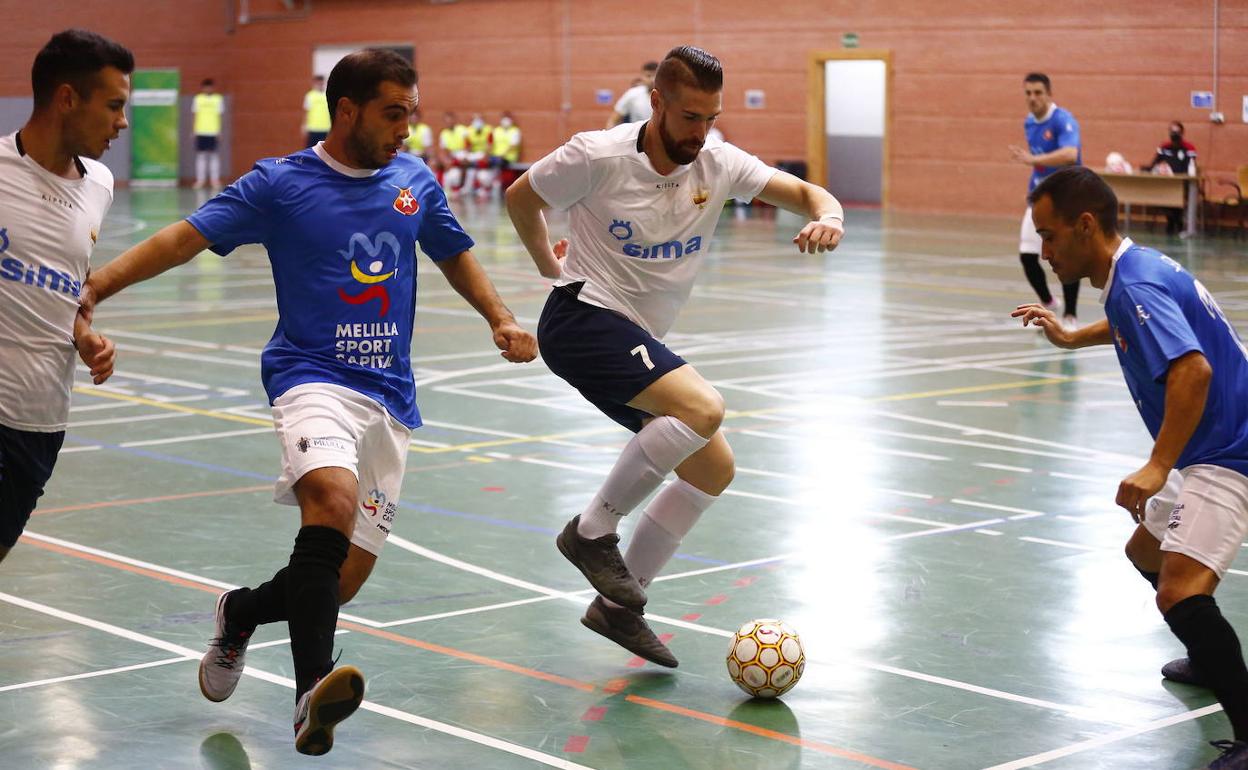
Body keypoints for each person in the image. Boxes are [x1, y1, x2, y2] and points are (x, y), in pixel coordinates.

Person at [80, 49, 537, 754]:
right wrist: (97, 288)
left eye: (411, 114)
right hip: (310, 377)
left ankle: (238, 613)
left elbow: (452, 251)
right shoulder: (281, 184)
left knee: (333, 584)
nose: (406, 131)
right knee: (329, 501)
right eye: (393, 114)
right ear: (346, 110)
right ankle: (308, 697)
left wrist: (500, 317)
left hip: (390, 398)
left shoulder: (414, 181)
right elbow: (183, 238)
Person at [506, 45, 844, 667]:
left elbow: (802, 191)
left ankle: (618, 608)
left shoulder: (717, 162)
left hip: (635, 336)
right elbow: (521, 198)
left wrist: (831, 213)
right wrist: (550, 269)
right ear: (656, 102)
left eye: (711, 117)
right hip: (583, 318)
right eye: (690, 116)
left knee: (712, 468)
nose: (701, 132)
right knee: (703, 409)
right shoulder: (596, 154)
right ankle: (590, 532)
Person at [1013, 166, 1248, 770]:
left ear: (1085, 225)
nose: (1045, 250)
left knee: (1178, 589)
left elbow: (1192, 370)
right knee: (1146, 553)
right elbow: (1134, 324)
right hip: (1207, 443)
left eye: (1051, 235)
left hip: (1227, 450)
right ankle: (1206, 653)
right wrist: (1069, 338)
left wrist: (1156, 464)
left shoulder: (1133, 286)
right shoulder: (1134, 270)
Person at [0, 29, 126, 565]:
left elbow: (67, 283)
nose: (122, 121)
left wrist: (83, 335)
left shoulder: (99, 183)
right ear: (67, 98)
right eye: (113, 105)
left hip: (41, 421)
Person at [1009, 72, 1082, 331]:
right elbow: (1038, 164)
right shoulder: (1030, 122)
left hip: (1065, 201)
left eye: (1038, 93)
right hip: (1039, 199)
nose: (1033, 98)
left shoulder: (1063, 120)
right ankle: (1049, 304)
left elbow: (1070, 154)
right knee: (1028, 256)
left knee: (1065, 257)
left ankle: (1071, 316)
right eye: (1028, 93)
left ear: (1049, 94)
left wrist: (1033, 160)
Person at [1142, 121, 1198, 235]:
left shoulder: (1189, 148)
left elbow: (1191, 167)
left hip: (1183, 182)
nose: (1174, 134)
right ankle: (1172, 220)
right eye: (1172, 132)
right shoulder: (1165, 147)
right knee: (1163, 193)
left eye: (1177, 132)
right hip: (1167, 182)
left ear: (1182, 133)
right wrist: (1146, 169)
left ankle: (1177, 222)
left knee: (1178, 195)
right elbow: (1154, 163)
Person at [191, 77, 224, 189]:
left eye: (210, 87)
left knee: (214, 156)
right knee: (201, 156)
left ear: (213, 88)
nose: (208, 89)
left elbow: (219, 116)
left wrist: (219, 131)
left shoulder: (218, 99)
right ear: (203, 88)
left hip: (213, 132)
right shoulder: (198, 99)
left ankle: (214, 180)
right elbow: (195, 115)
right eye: (206, 87)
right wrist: (194, 131)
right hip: (201, 131)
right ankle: (200, 180)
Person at [605, 60, 658, 128]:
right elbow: (613, 120)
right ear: (642, 77)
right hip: (638, 136)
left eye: (655, 75)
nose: (652, 79)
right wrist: (611, 136)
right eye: (648, 76)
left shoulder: (667, 95)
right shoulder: (632, 94)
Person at [302, 74, 330, 148]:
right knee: (311, 149)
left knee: (324, 150)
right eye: (318, 83)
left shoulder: (327, 95)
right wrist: (304, 125)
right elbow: (306, 112)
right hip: (313, 128)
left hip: (325, 128)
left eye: (321, 83)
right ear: (315, 83)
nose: (320, 85)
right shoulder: (310, 96)